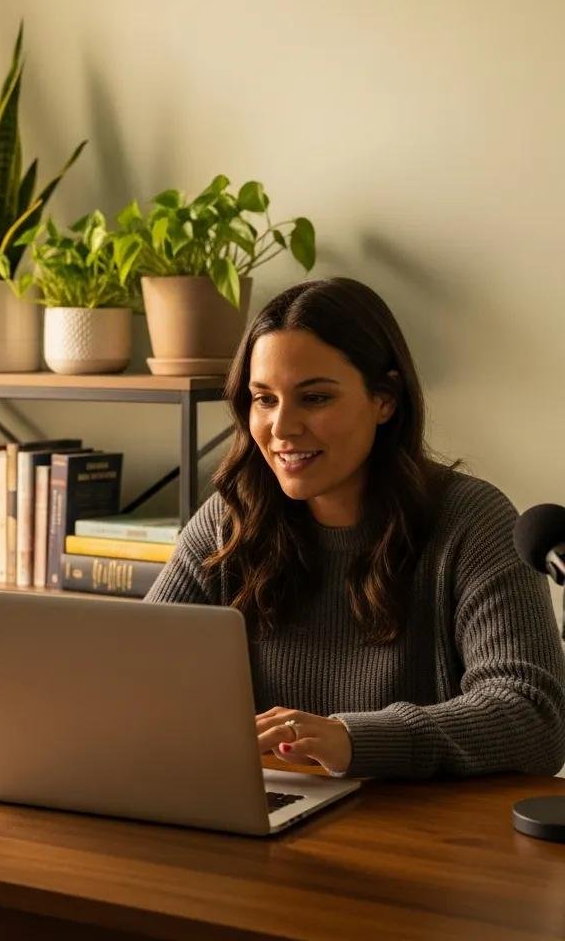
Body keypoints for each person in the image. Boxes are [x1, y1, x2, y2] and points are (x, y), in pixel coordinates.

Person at [145, 277, 565, 779]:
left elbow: (535, 716)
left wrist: (352, 739)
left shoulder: (472, 522)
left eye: (315, 398)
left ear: (384, 399)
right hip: (263, 820)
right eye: (264, 399)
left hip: (423, 840)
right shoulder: (229, 521)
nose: (282, 428)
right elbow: (135, 675)